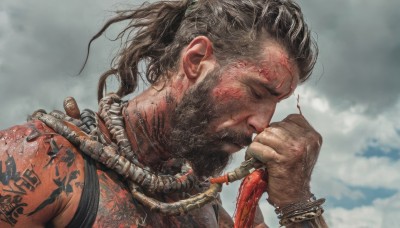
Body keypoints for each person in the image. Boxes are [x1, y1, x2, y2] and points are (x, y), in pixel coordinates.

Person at [0, 0, 328, 227]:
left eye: (275, 105)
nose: (262, 123)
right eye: (257, 93)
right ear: (197, 59)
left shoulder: (207, 208)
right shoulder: (37, 163)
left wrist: (295, 198)